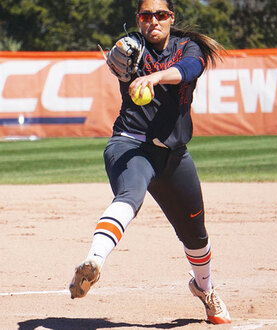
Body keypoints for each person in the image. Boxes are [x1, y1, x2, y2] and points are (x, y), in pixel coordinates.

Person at [68, 0, 231, 324]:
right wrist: (117, 66)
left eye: (160, 14)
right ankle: (93, 263)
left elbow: (189, 70)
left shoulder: (189, 47)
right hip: (130, 145)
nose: (153, 20)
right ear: (138, 20)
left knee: (195, 234)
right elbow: (119, 63)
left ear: (171, 18)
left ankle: (205, 289)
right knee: (129, 196)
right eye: (146, 15)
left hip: (174, 155)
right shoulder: (131, 49)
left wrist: (155, 78)